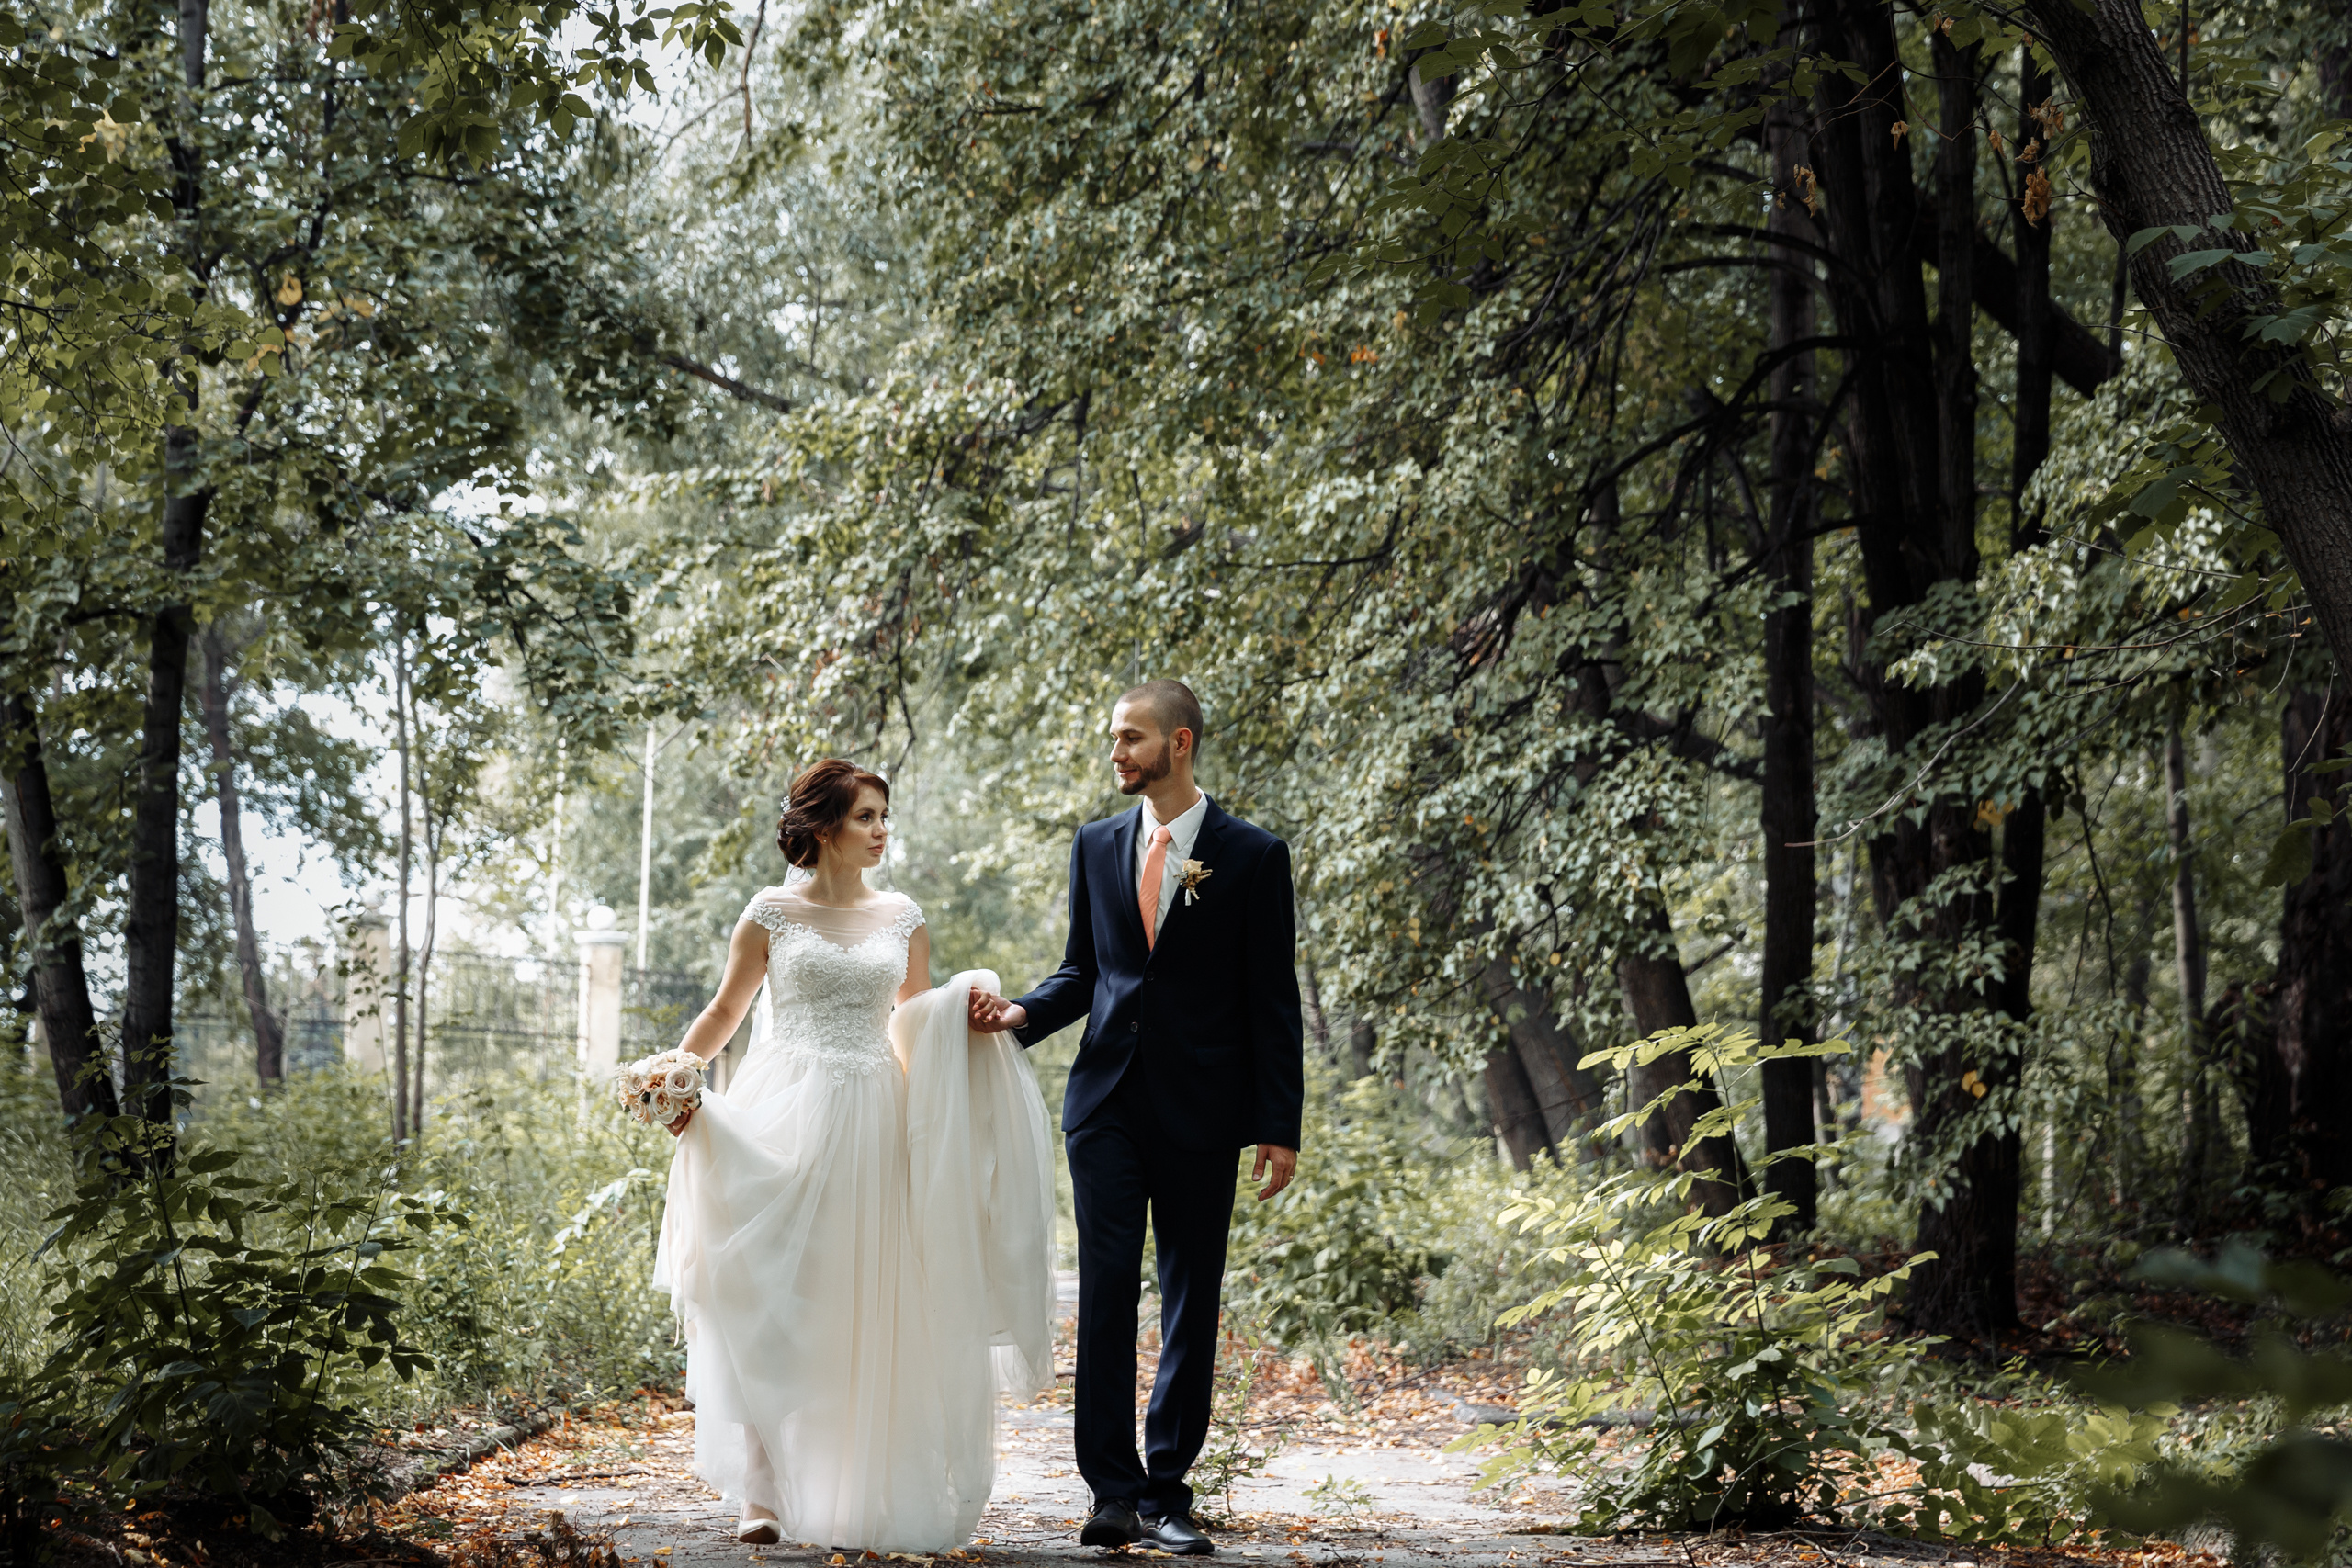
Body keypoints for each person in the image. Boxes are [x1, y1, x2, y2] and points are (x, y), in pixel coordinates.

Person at [651, 759, 1057, 1551]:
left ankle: (858, 1480)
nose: (880, 830)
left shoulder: (903, 917)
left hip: (874, 1113)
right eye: (866, 816)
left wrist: (961, 1010)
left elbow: (913, 1017)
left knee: (858, 1297)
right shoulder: (769, 913)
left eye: (884, 816)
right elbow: (728, 1009)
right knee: (769, 1287)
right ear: (824, 825)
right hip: (782, 1107)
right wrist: (673, 1072)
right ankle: (761, 1486)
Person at [969, 680, 1305, 1557]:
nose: (1115, 752)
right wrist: (1020, 1013)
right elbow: (1085, 969)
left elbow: (1273, 999)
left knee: (1191, 1296)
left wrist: (1279, 1122)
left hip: (1204, 1110)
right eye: (1114, 737)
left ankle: (1168, 1492)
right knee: (1109, 1290)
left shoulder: (1254, 855)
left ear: (1179, 743)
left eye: (1131, 737)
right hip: (1106, 1103)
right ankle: (1112, 1493)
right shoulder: (1095, 843)